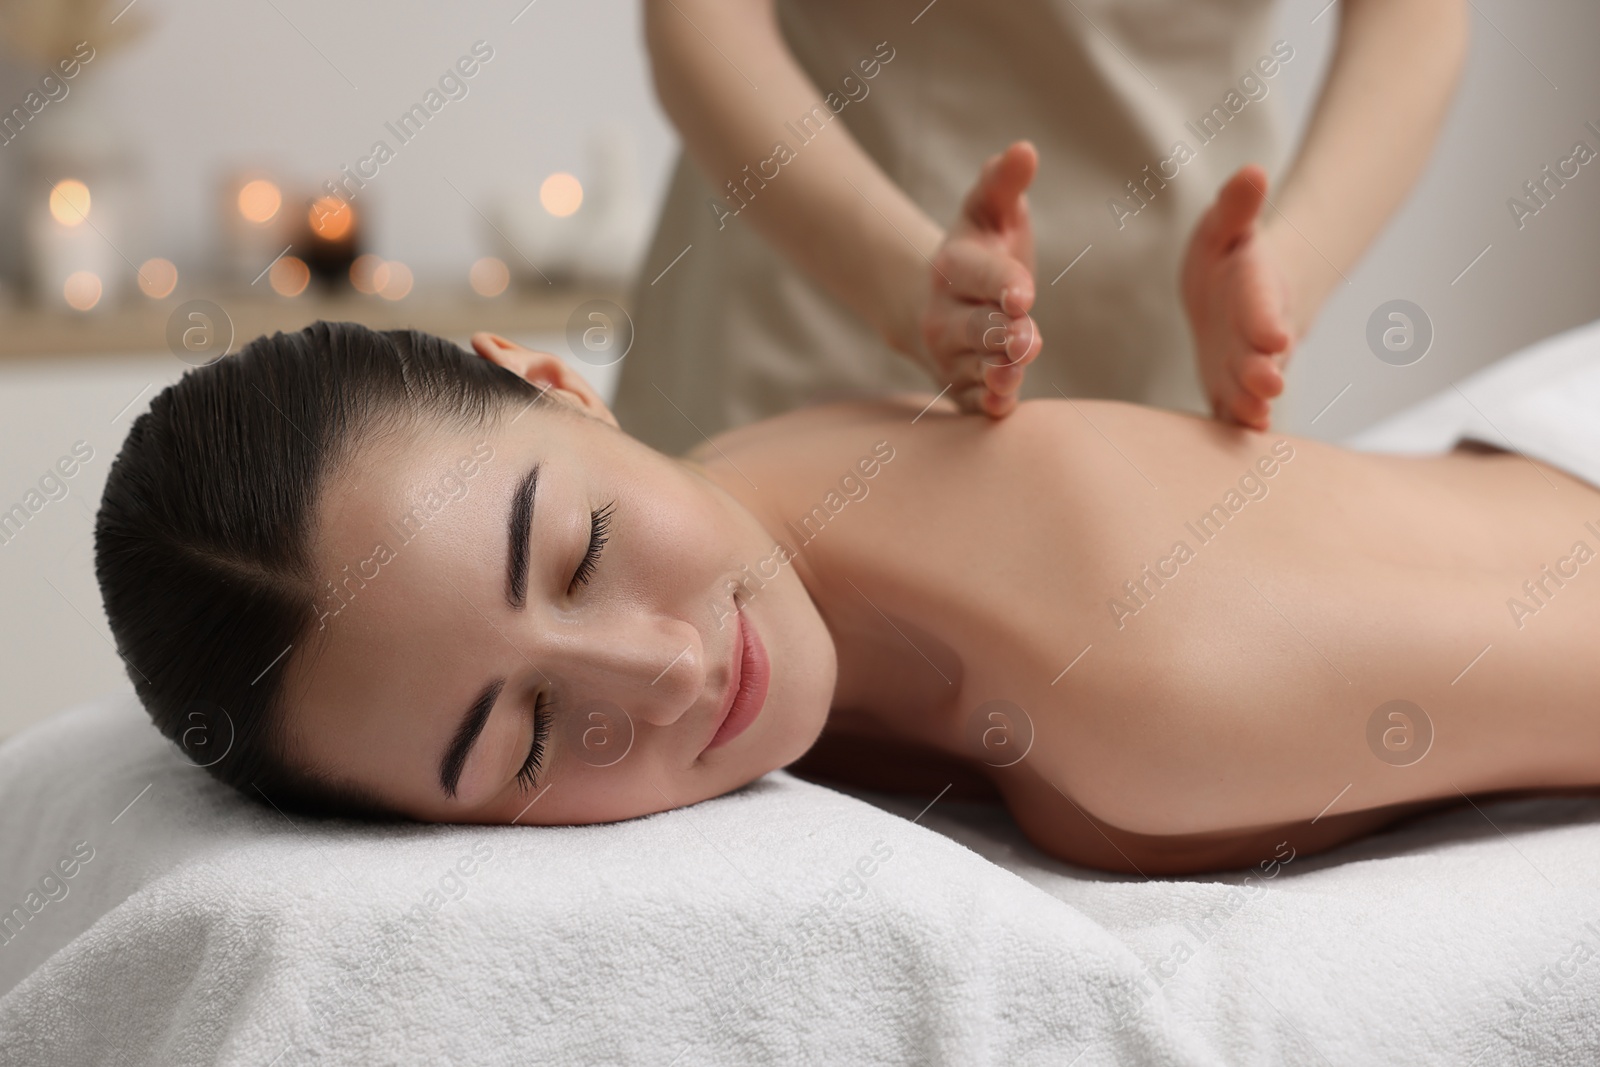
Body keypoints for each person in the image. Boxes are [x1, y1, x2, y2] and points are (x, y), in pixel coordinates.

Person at [95, 322, 1600, 876]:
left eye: (581, 554)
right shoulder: (756, 479)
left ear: (549, 379)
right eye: (530, 739)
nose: (664, 671)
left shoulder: (1147, 677)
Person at [614, 0, 1469, 450]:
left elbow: (1415, 13)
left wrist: (1292, 270)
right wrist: (904, 284)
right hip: (819, 313)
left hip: (1182, 335)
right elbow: (701, 16)